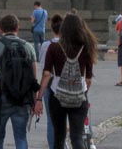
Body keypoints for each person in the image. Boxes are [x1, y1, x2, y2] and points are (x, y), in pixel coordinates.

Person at [35, 13, 98, 149]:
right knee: (77, 137)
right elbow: (88, 79)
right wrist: (83, 94)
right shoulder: (86, 47)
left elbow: (46, 74)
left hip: (57, 96)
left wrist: (39, 98)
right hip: (79, 97)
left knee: (59, 136)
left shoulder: (53, 47)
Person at [0, 14, 39, 149]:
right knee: (21, 137)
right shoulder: (28, 47)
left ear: (0, 29)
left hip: (1, 98)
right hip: (22, 99)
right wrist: (34, 101)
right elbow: (33, 79)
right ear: (18, 28)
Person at [38, 14, 65, 149]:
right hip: (68, 86)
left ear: (52, 29)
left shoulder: (46, 45)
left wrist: (39, 97)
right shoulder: (71, 45)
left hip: (50, 85)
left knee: (51, 120)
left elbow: (44, 69)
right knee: (66, 119)